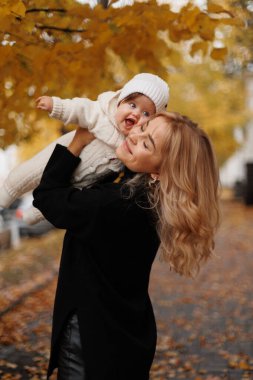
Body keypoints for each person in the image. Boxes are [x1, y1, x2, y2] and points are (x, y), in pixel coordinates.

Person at [32, 111, 220, 380]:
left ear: (159, 170)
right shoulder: (152, 203)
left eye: (147, 144)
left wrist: (78, 142)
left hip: (90, 336)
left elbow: (47, 197)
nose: (134, 136)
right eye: (142, 127)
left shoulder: (116, 204)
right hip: (128, 333)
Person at [0, 73, 169, 225]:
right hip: (67, 154)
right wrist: (55, 106)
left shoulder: (133, 143)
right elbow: (78, 108)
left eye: (146, 114)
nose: (137, 113)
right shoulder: (101, 113)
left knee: (63, 197)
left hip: (89, 179)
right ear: (119, 100)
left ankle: (33, 215)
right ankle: (5, 195)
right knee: (31, 172)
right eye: (132, 105)